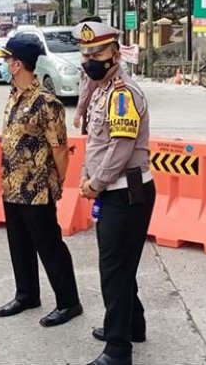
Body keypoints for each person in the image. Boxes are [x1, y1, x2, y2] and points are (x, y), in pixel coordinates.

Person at [73, 21, 155, 365]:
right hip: (116, 190)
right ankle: (132, 324)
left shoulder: (122, 94)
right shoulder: (101, 89)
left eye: (99, 52)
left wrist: (96, 182)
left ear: (115, 54)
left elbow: (120, 147)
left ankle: (118, 350)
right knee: (122, 266)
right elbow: (95, 143)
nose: (91, 59)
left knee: (114, 270)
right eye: (86, 53)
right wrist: (85, 174)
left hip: (126, 191)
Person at [0, 34, 83, 327]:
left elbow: (59, 148)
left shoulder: (46, 103)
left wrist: (58, 183)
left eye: (6, 59)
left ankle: (69, 302)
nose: (4, 64)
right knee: (19, 244)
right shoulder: (13, 96)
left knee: (49, 246)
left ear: (17, 64)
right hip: (12, 186)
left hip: (37, 190)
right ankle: (27, 294)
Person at [73, 15, 103, 134]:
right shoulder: (105, 50)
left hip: (95, 109)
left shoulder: (93, 56)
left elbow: (88, 88)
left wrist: (79, 113)